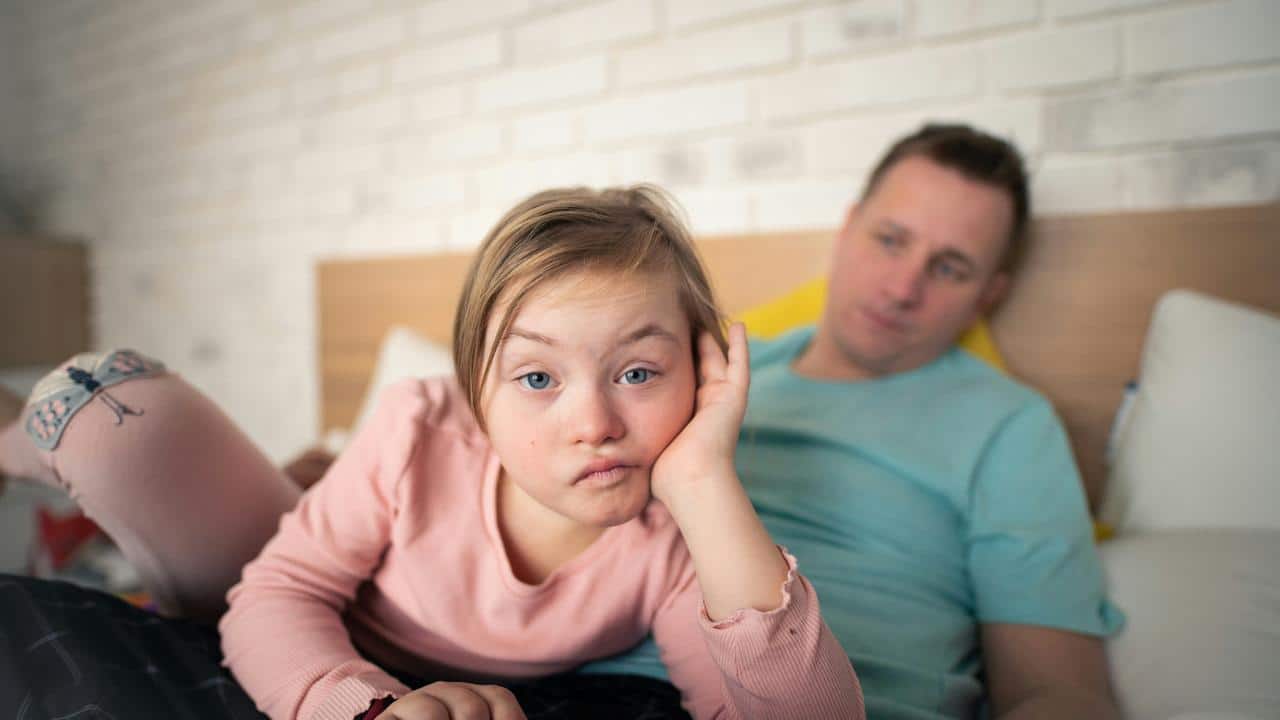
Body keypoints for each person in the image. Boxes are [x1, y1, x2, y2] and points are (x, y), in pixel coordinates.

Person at [0, 186, 864, 720]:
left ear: (703, 375)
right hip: (295, 585)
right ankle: (14, 440)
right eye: (537, 378)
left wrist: (705, 478)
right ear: (476, 393)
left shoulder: (677, 540)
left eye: (638, 372)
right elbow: (275, 594)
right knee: (104, 414)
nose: (594, 423)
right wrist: (365, 706)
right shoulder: (419, 427)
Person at [582, 124, 1126, 719]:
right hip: (591, 684)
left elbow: (1058, 693)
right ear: (847, 227)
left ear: (987, 296)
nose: (902, 288)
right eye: (890, 240)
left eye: (949, 268)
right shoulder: (711, 371)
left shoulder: (1010, 424)